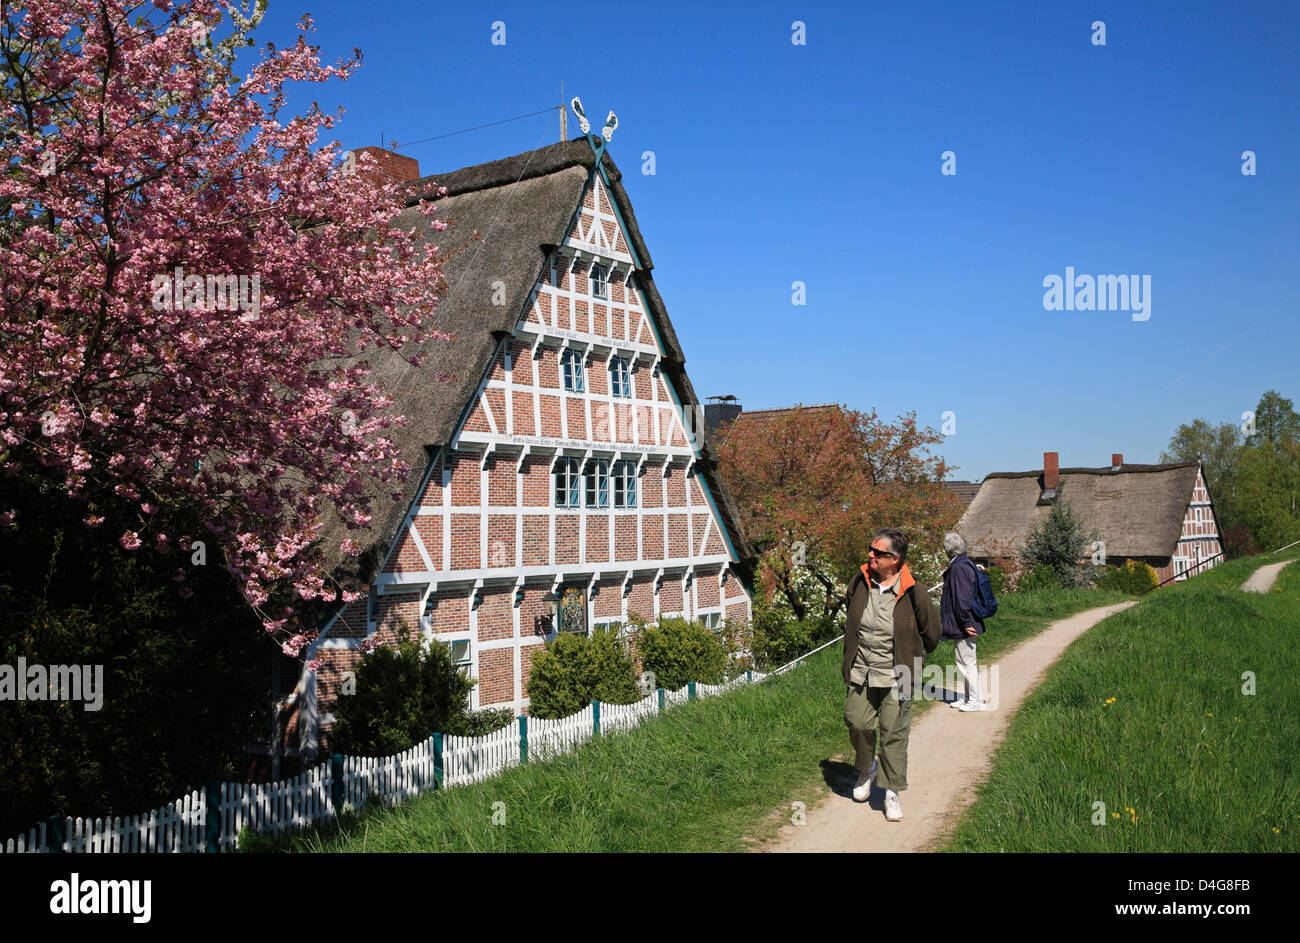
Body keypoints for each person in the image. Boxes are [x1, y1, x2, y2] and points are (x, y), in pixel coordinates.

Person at [842, 527, 941, 822]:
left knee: (893, 735)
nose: (870, 555)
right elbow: (852, 611)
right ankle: (868, 768)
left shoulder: (914, 591)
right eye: (870, 550)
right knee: (857, 722)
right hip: (862, 669)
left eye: (878, 552)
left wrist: (915, 657)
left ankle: (891, 791)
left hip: (899, 675)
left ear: (895, 559)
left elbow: (932, 633)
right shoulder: (861, 582)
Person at [940, 532, 986, 711]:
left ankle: (975, 700)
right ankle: (969, 697)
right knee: (963, 662)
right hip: (963, 622)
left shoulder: (959, 568)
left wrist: (966, 623)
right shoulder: (962, 564)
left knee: (967, 663)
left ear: (949, 550)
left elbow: (962, 599)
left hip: (964, 623)